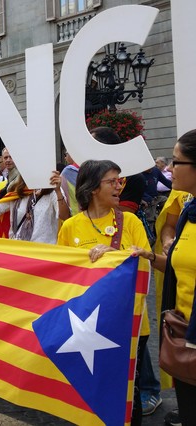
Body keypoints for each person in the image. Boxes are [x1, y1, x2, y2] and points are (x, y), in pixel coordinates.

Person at [57, 160, 152, 425]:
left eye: (120, 181)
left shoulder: (130, 221)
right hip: (85, 327)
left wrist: (119, 257)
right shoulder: (70, 227)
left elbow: (145, 265)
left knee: (126, 392)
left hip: (129, 323)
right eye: (112, 181)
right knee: (89, 387)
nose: (119, 186)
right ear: (93, 187)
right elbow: (63, 276)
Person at [133, 130, 196, 425]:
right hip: (183, 334)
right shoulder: (188, 210)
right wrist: (148, 256)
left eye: (176, 161)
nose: (168, 168)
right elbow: (175, 268)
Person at [0, 171, 69, 243]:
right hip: (19, 252)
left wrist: (58, 191)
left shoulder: (53, 191)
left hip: (43, 254)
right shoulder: (16, 192)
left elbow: (65, 216)